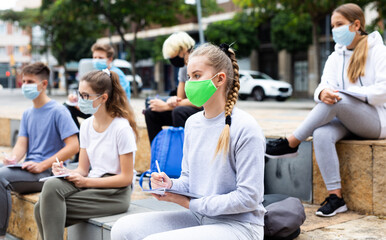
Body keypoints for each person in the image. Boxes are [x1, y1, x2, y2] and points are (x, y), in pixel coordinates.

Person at [111, 43, 266, 240]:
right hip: (200, 216)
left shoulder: (246, 128)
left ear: (219, 79)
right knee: (122, 228)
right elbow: (189, 179)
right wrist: (170, 184)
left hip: (239, 226)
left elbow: (248, 198)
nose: (190, 83)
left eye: (197, 75)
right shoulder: (192, 123)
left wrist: (188, 203)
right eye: (189, 77)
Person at [265, 3, 386, 217]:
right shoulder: (335, 57)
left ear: (356, 25)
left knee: (337, 100)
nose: (334, 30)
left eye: (339, 24)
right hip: (347, 119)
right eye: (332, 26)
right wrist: (322, 94)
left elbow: (383, 90)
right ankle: (336, 197)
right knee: (321, 133)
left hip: (377, 120)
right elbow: (323, 85)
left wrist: (349, 95)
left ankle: (292, 143)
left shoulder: (378, 51)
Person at [34, 69, 138, 240]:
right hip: (93, 183)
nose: (80, 100)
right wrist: (65, 172)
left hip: (115, 193)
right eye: (79, 94)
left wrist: (86, 181)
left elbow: (126, 178)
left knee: (42, 208)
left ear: (103, 97)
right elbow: (82, 169)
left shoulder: (121, 128)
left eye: (86, 96)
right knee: (51, 186)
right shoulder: (86, 126)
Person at [0, 62, 79, 240]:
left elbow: (73, 146)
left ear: (43, 84)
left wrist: (42, 164)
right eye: (24, 81)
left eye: (30, 81)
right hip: (30, 168)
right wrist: (12, 158)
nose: (25, 85)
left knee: (0, 177)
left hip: (47, 172)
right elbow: (22, 144)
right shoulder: (28, 113)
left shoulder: (59, 111)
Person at [65, 43, 130, 161]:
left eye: (100, 58)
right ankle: (80, 149)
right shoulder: (95, 73)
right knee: (67, 108)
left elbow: (120, 99)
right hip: (97, 108)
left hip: (109, 111)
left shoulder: (116, 74)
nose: (96, 60)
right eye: (94, 57)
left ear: (110, 59)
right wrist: (77, 99)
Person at [144, 32, 202, 143]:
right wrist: (173, 101)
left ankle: (181, 153)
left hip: (203, 109)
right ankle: (158, 155)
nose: (172, 59)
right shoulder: (183, 68)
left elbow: (202, 101)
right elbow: (180, 97)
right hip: (188, 107)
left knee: (178, 112)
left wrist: (167, 106)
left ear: (183, 50)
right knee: (150, 112)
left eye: (173, 55)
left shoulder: (200, 63)